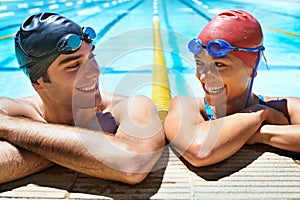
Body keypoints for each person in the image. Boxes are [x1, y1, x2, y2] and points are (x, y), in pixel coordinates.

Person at [0, 12, 165, 184]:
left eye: (91, 57)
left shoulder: (130, 106)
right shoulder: (11, 109)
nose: (94, 71)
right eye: (74, 65)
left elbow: (133, 165)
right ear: (38, 83)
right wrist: (95, 138)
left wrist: (7, 126)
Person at [164, 10, 300, 167]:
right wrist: (259, 115)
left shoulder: (288, 107)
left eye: (219, 65)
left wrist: (259, 134)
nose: (204, 76)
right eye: (200, 64)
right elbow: (200, 150)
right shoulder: (185, 106)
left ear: (252, 68)